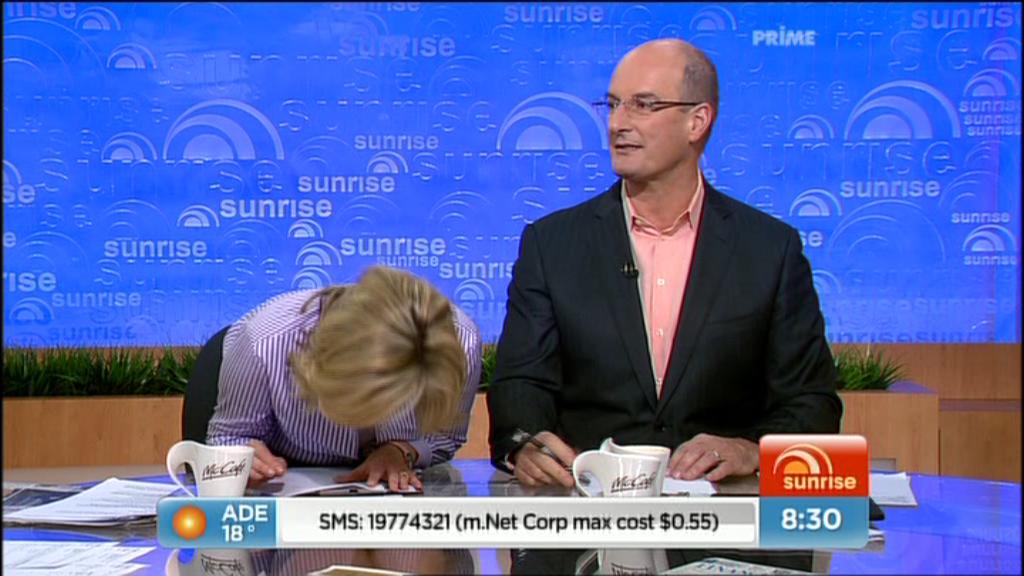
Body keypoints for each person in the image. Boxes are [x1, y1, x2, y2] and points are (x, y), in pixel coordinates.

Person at [487, 39, 841, 487]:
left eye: (643, 105)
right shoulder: (552, 244)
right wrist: (525, 443)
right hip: (588, 509)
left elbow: (812, 403)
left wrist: (749, 450)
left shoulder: (770, 250)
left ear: (698, 121)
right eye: (613, 105)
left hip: (724, 512)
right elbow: (520, 383)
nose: (618, 123)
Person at [207, 265, 482, 491]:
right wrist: (243, 457)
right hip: (287, 490)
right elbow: (227, 438)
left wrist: (402, 449)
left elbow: (445, 438)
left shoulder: (459, 347)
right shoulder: (265, 342)